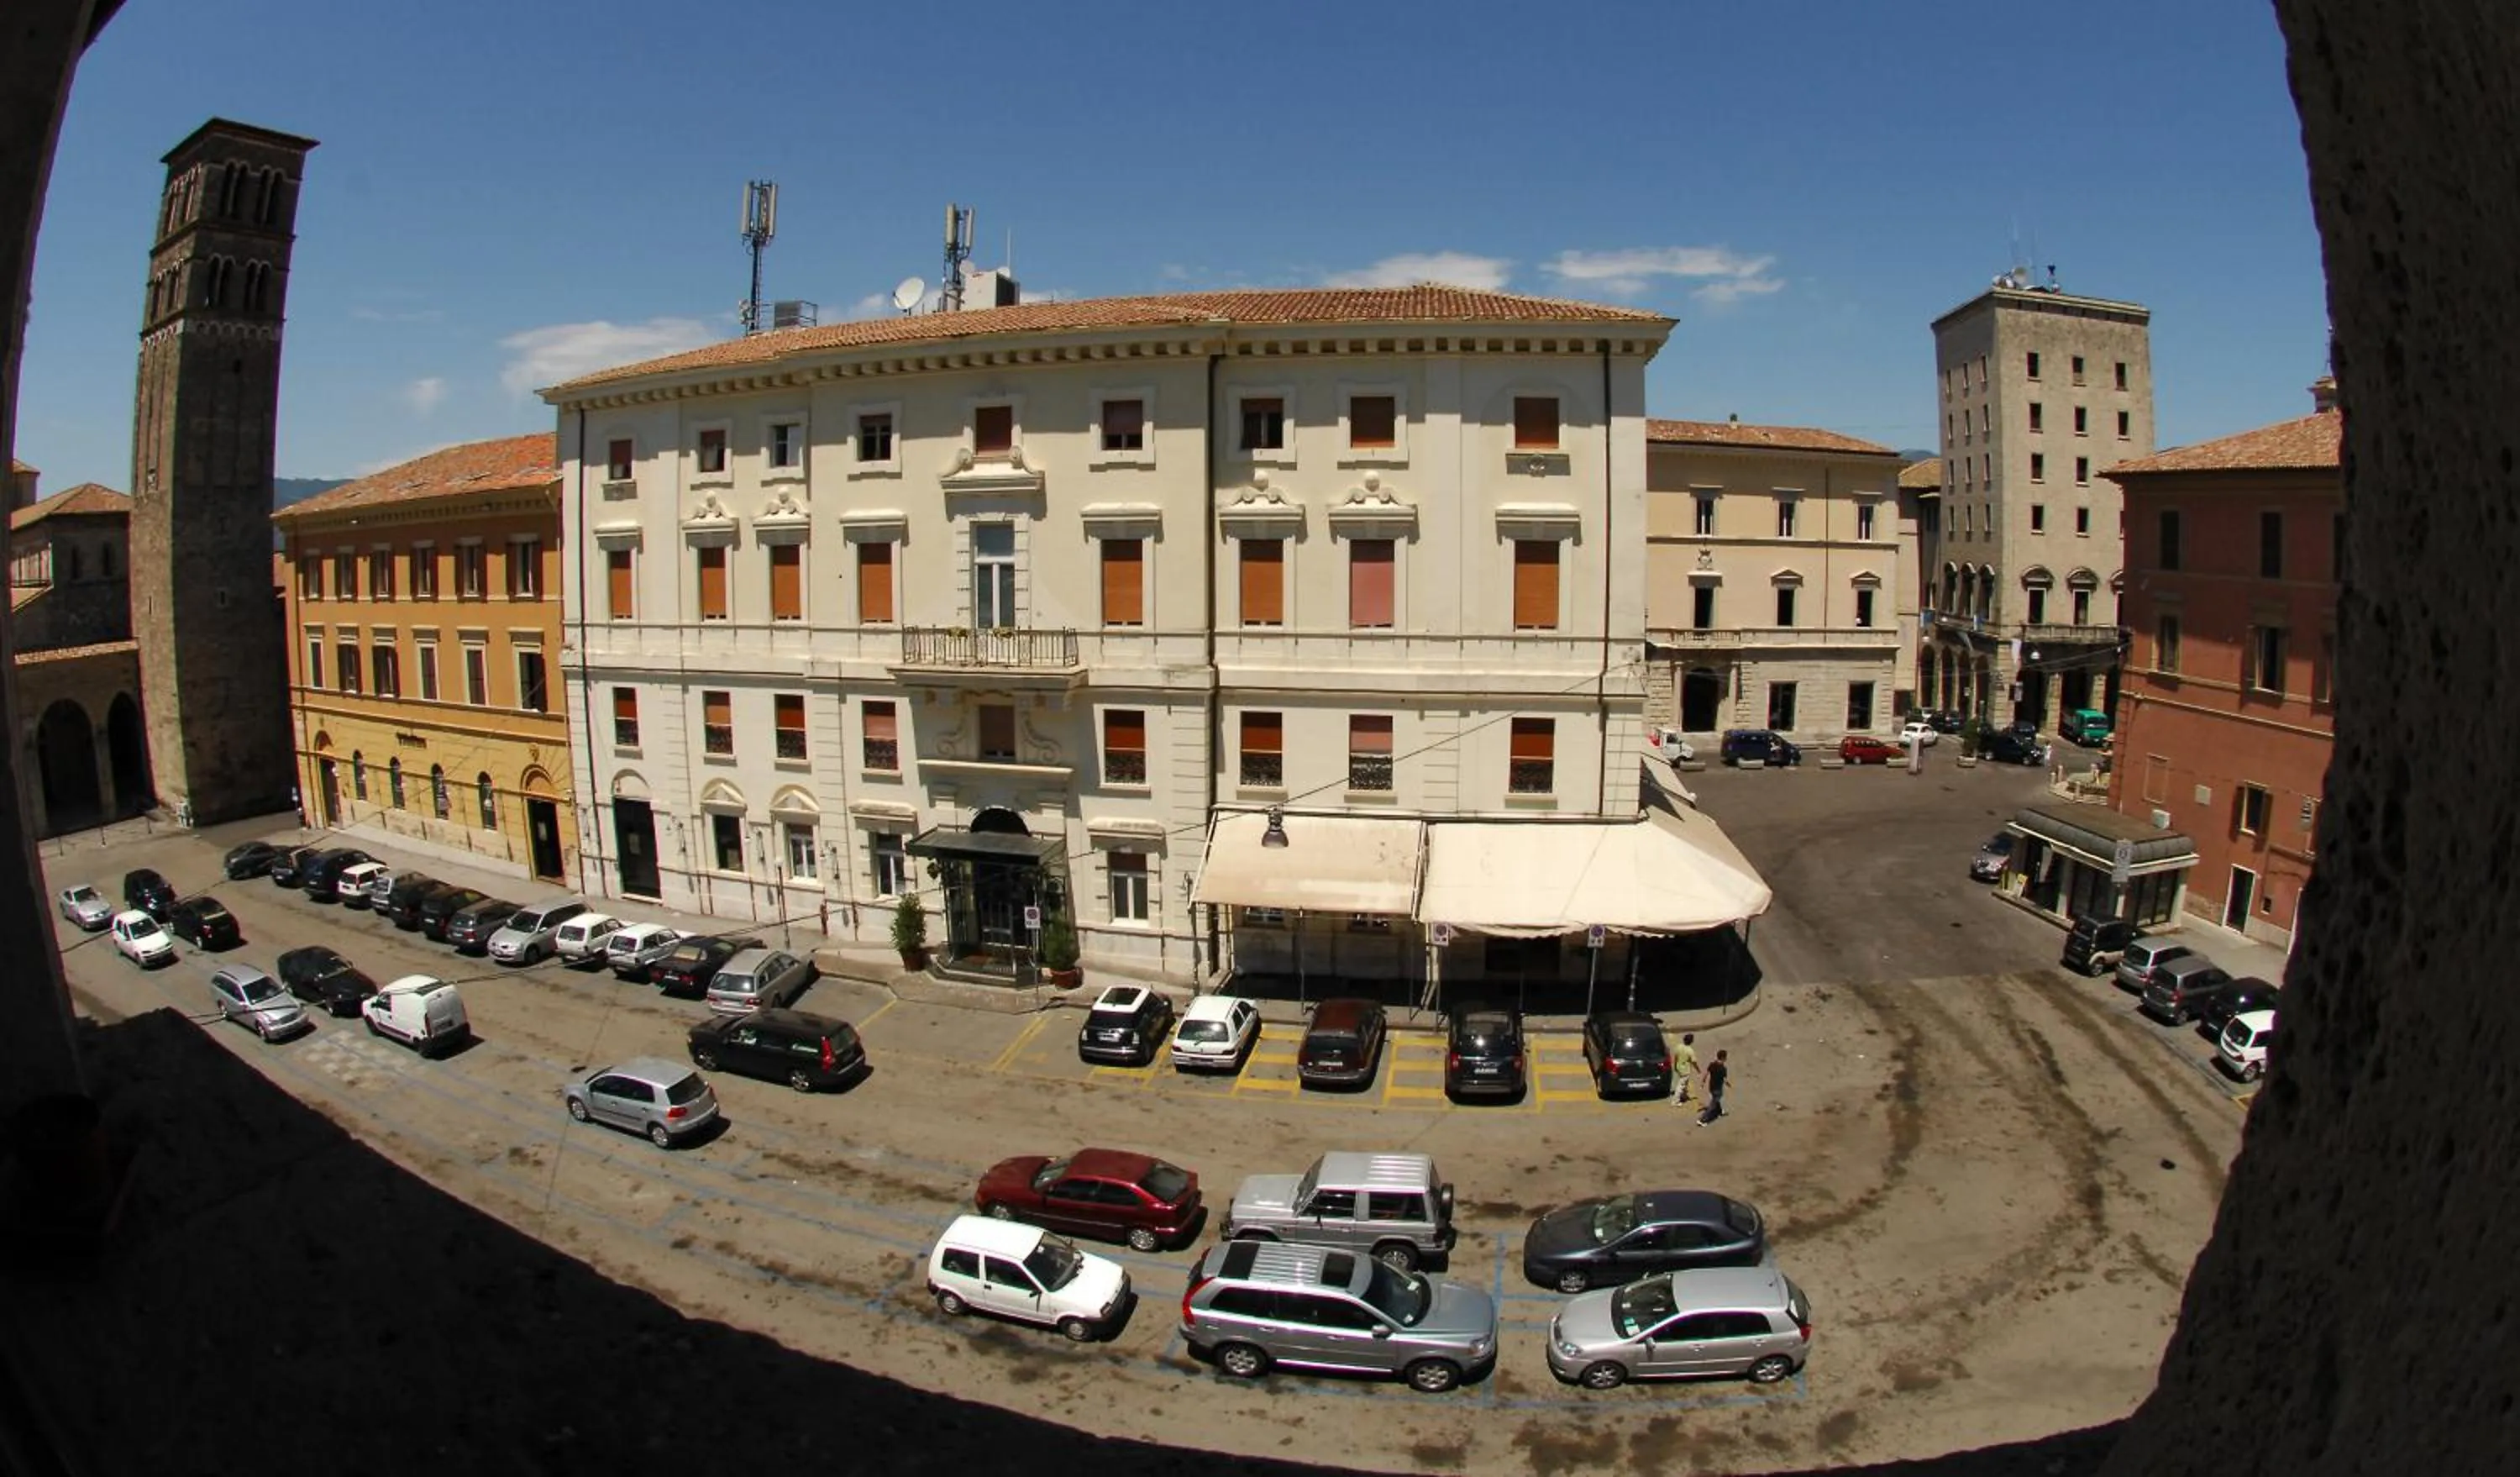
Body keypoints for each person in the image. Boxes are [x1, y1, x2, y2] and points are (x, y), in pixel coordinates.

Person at [1698, 1049, 1730, 1127]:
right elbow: (1725, 1080)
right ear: (1723, 1058)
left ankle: (1720, 1112)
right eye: (1725, 1057)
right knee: (1713, 1105)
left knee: (1716, 1100)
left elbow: (1706, 1074)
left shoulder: (1712, 1064)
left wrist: (1703, 1083)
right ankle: (1702, 1120)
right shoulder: (1723, 1069)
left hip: (1711, 1087)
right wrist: (1728, 1084)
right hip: (1718, 1089)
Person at [1668, 1032, 1699, 1106]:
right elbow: (1694, 1062)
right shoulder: (1690, 1051)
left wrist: (1675, 1066)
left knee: (1685, 1083)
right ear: (1691, 1041)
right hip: (1685, 1070)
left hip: (1679, 1068)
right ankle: (1675, 1101)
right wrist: (1698, 1070)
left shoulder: (1679, 1047)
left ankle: (1684, 1096)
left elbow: (1676, 1057)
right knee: (1681, 1085)